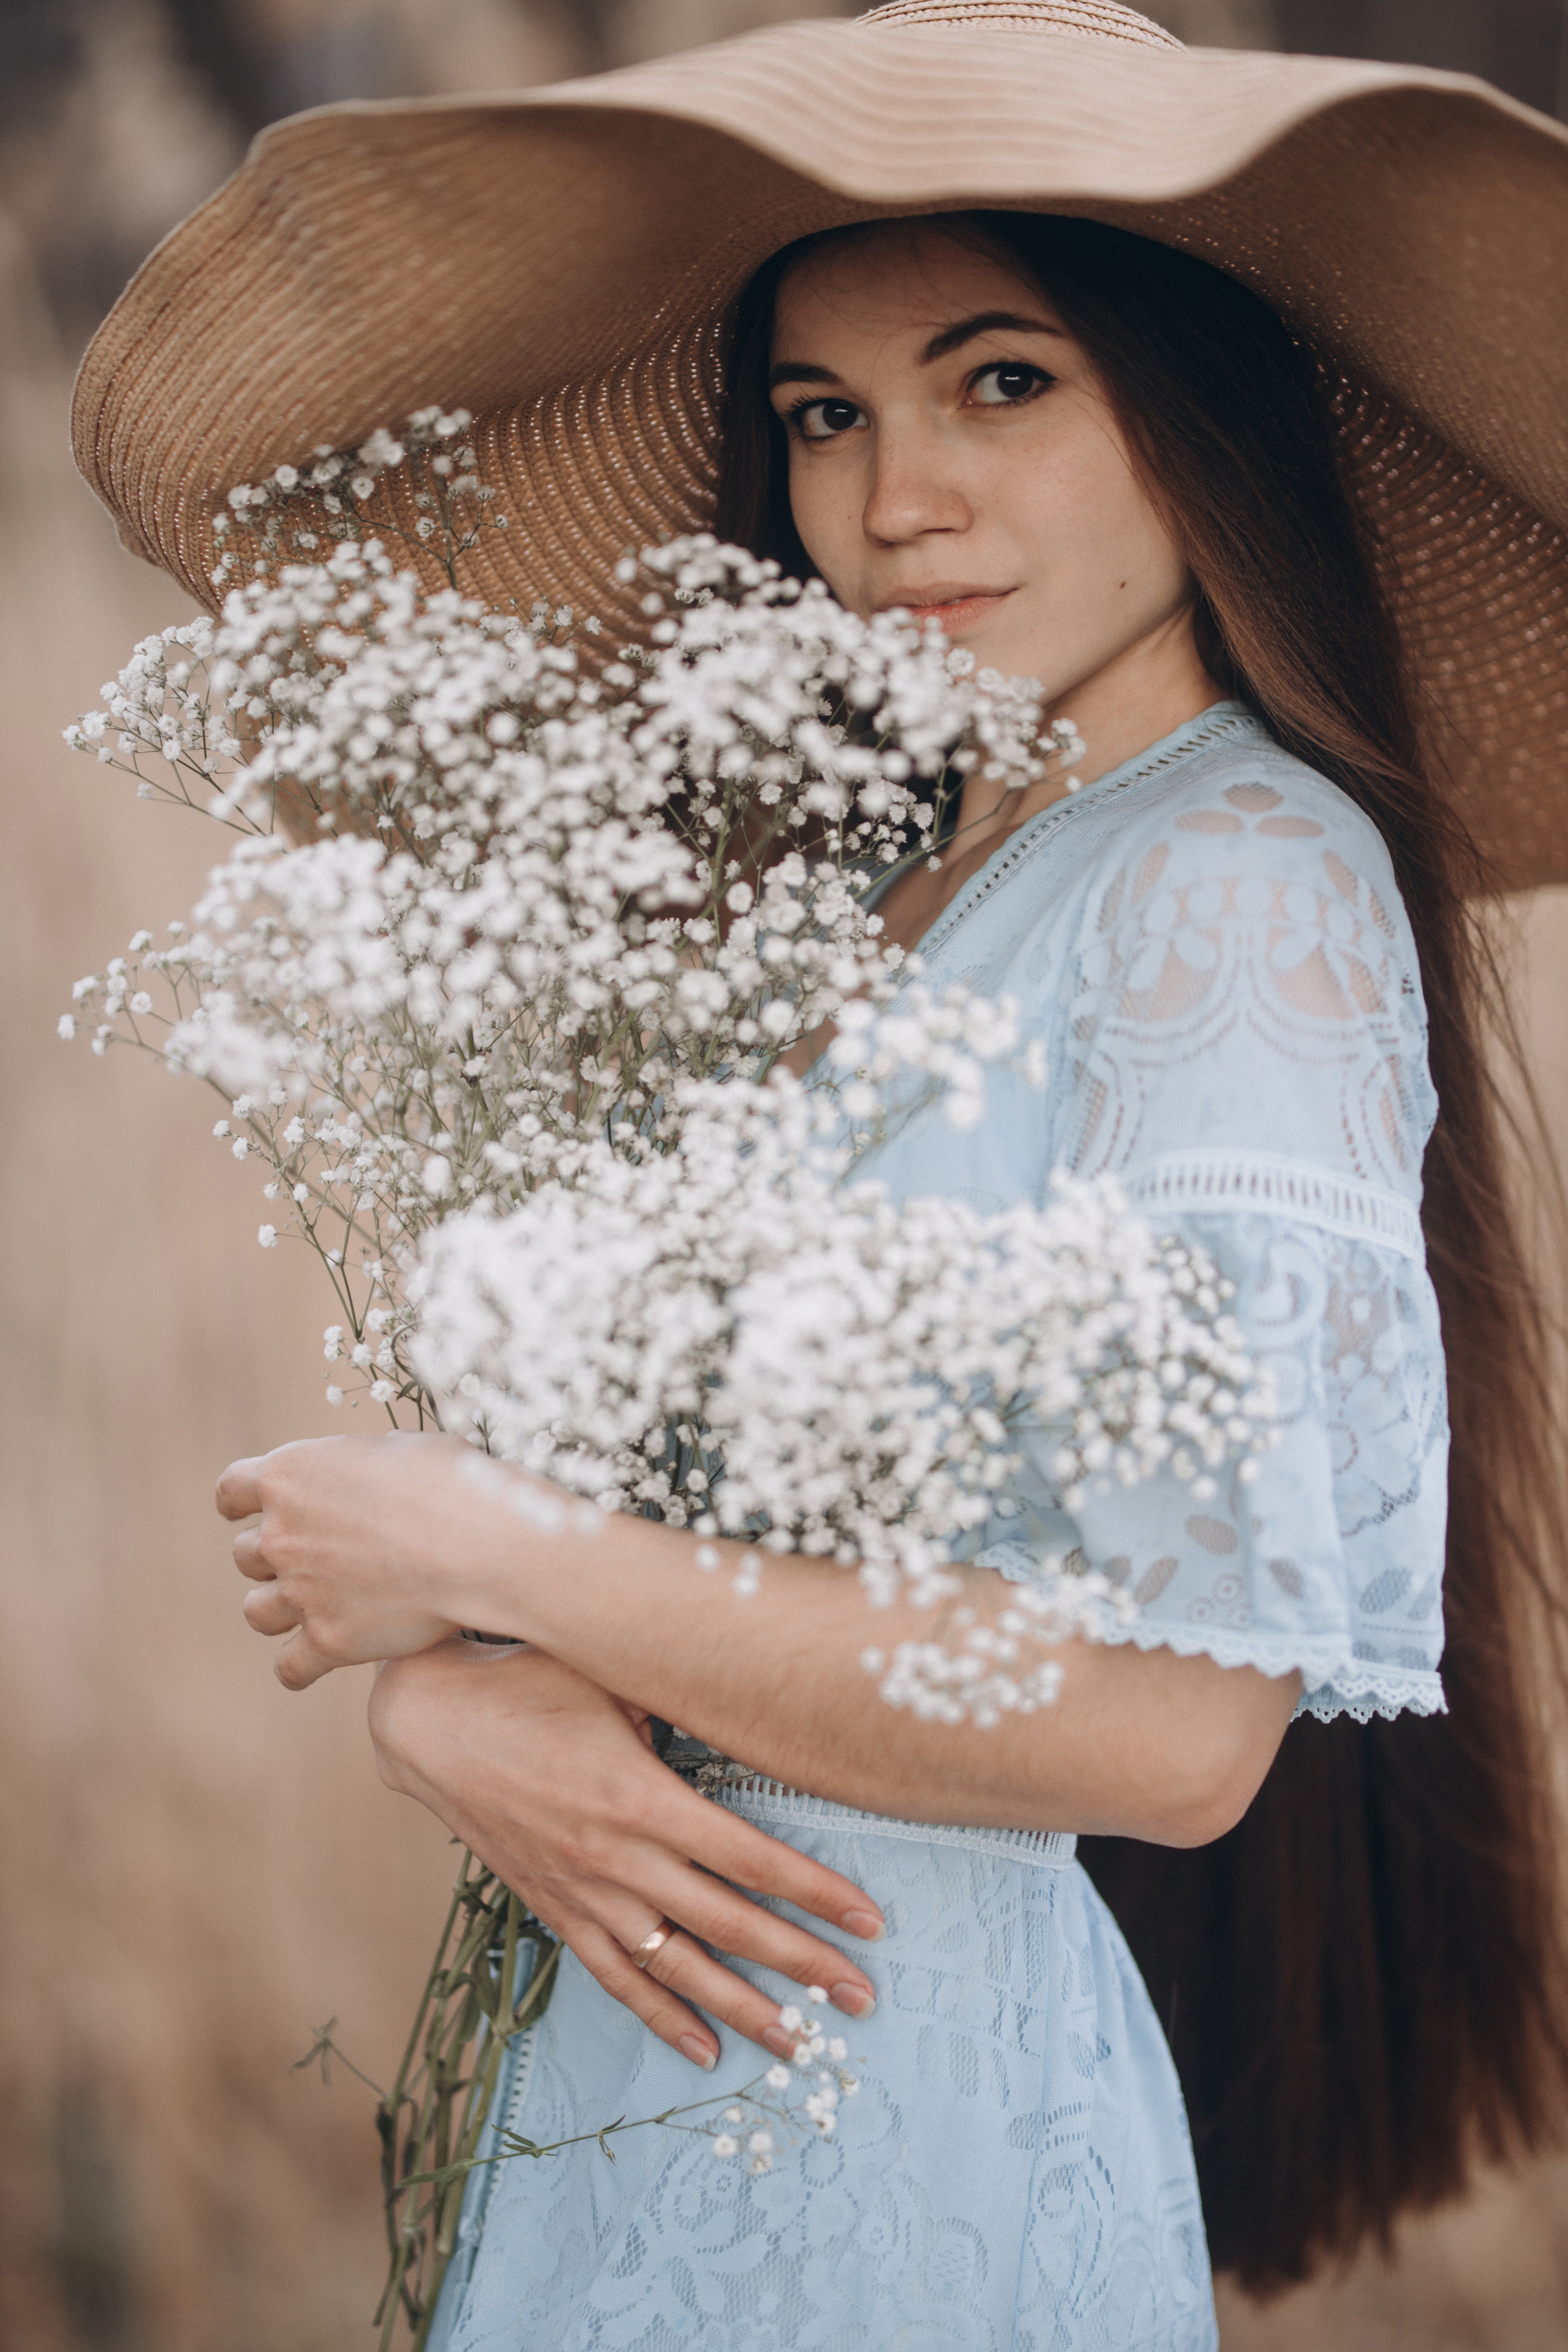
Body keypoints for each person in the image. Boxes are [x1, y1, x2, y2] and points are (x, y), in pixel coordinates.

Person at [75, 3, 1568, 2346]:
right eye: (824, 415)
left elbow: (1179, 1736)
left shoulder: (1233, 885)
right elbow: (733, 1533)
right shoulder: (891, 883)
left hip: (885, 2133)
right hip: (655, 2070)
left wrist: (501, 1561)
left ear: (1198, 402)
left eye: (1003, 380)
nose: (896, 503)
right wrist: (462, 1697)